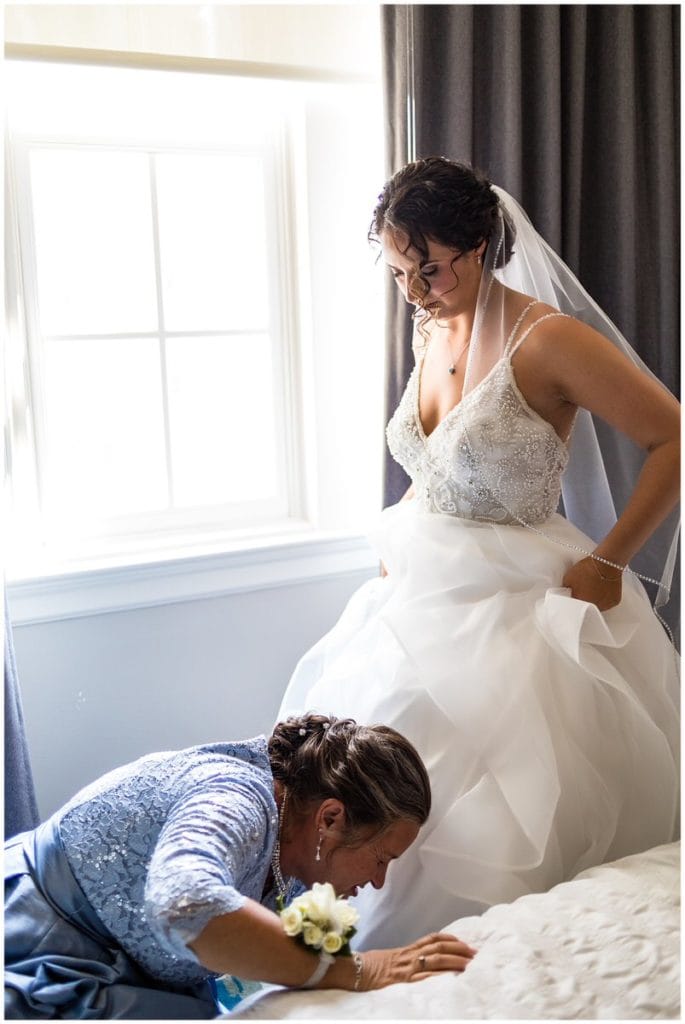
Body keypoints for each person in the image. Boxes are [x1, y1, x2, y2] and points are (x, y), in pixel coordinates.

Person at [278, 157, 680, 949]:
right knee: (365, 785)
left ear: (479, 243)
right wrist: (401, 536)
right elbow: (433, 468)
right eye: (398, 272)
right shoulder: (431, 328)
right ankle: (349, 962)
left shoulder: (549, 339)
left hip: (521, 606)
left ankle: (504, 967)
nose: (414, 291)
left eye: (427, 269)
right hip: (413, 599)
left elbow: (673, 437)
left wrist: (607, 560)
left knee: (495, 808)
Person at [4, 713, 476, 1019]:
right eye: (381, 858)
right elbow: (187, 904)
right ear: (330, 818)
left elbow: (309, 951)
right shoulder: (238, 800)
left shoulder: (299, 849)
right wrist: (355, 971)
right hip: (38, 941)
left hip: (133, 970)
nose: (378, 881)